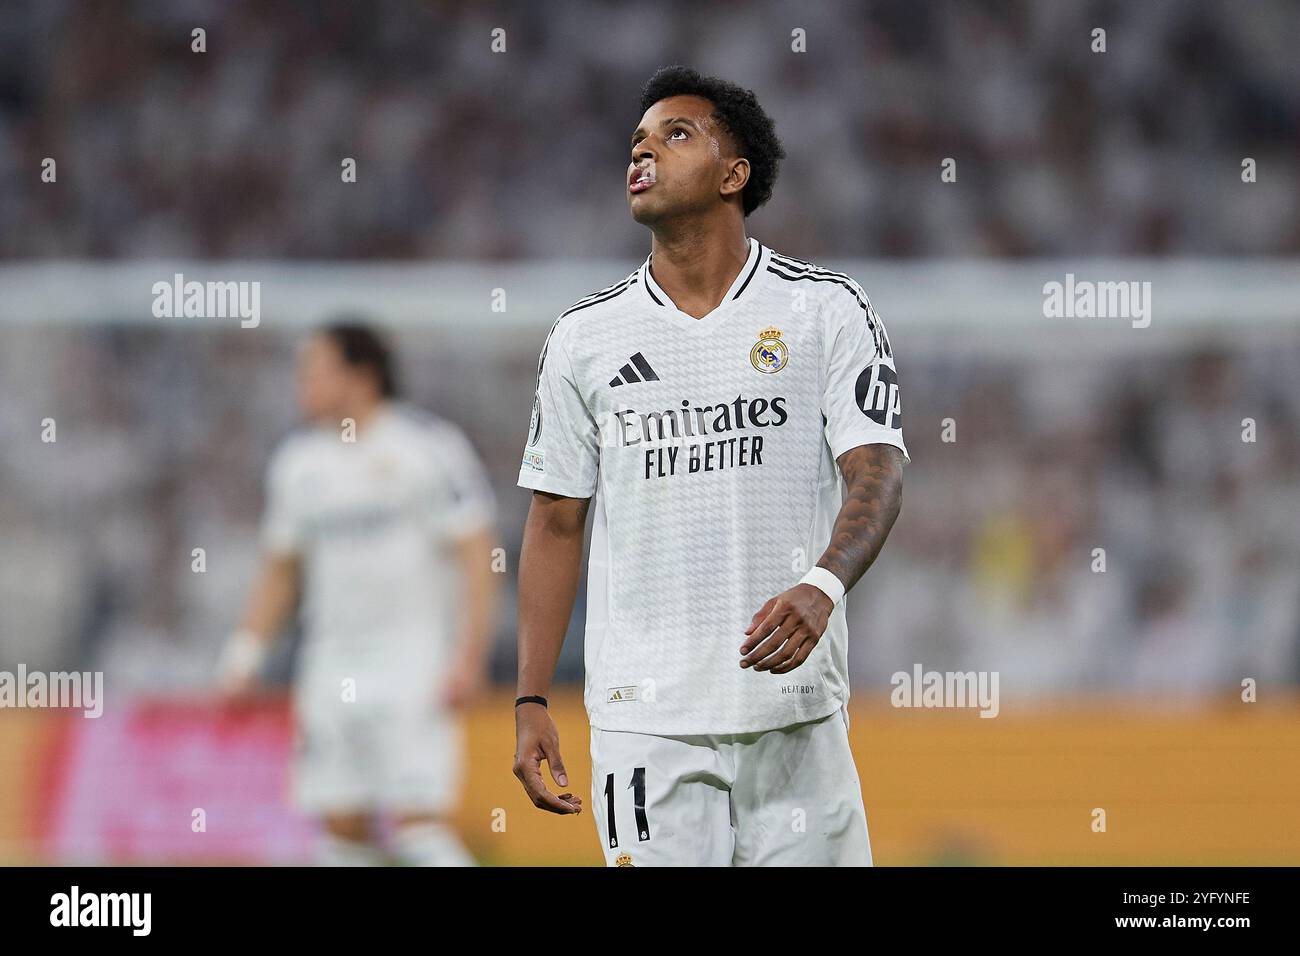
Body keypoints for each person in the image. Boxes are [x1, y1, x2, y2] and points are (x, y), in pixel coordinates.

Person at [512, 67, 907, 866]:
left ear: (736, 174)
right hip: (644, 722)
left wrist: (823, 585)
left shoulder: (825, 309)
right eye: (637, 141)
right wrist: (529, 696)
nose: (643, 152)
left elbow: (878, 470)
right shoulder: (585, 338)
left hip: (794, 713)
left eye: (675, 134)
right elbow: (555, 522)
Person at [219, 323, 497, 866]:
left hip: (413, 660)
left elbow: (479, 552)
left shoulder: (426, 446)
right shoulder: (298, 464)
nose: (302, 382)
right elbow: (281, 569)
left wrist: (470, 652)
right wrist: (244, 654)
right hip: (331, 663)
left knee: (418, 823)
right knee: (341, 828)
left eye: (314, 368)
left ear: (361, 375)